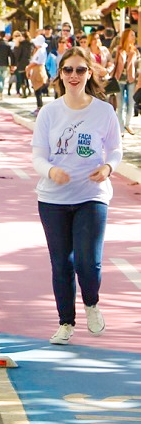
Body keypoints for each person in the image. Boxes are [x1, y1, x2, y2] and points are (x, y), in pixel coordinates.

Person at [31, 47, 122, 345]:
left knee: (87, 261)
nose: (74, 76)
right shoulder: (49, 111)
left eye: (80, 70)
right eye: (68, 70)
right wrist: (50, 172)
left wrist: (108, 167)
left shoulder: (103, 110)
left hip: (91, 195)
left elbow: (117, 150)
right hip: (53, 199)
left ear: (89, 73)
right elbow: (38, 157)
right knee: (62, 263)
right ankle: (65, 322)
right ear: (60, 74)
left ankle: (92, 303)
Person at [111, 28, 139, 135]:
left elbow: (138, 66)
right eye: (132, 35)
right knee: (120, 104)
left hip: (131, 80)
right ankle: (121, 128)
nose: (134, 37)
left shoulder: (135, 51)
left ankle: (128, 124)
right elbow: (113, 63)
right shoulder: (117, 50)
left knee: (131, 103)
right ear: (126, 36)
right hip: (119, 79)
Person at [26, 35, 49, 116]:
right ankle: (39, 106)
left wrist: (28, 68)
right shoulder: (40, 50)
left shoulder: (41, 51)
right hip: (37, 69)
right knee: (37, 89)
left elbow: (36, 62)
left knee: (38, 89)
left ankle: (40, 107)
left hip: (38, 70)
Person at [14, 31, 33, 98]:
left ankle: (24, 92)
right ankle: (29, 90)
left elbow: (17, 54)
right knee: (27, 77)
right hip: (29, 62)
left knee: (22, 78)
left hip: (22, 63)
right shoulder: (31, 44)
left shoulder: (21, 44)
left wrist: (16, 46)